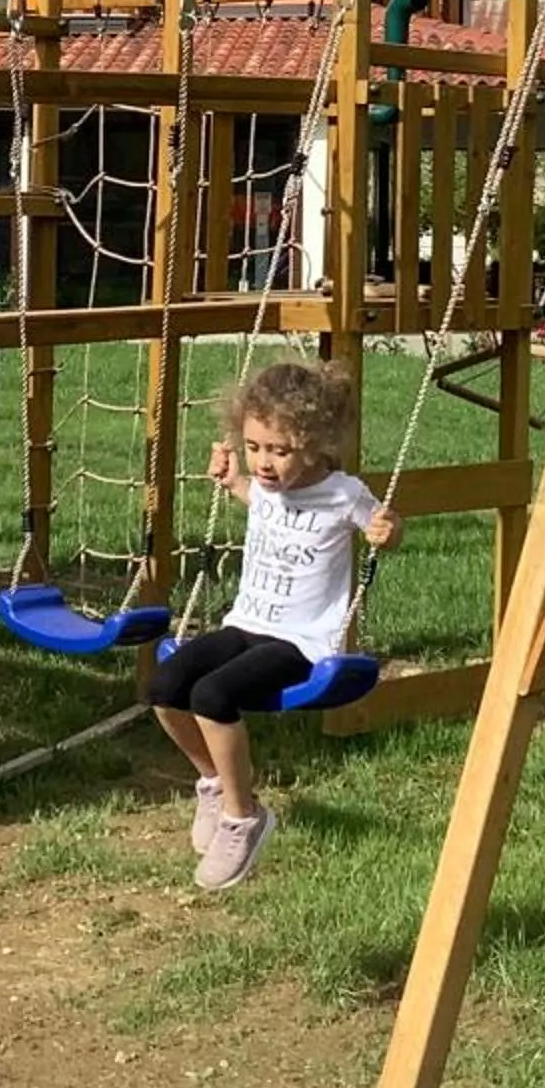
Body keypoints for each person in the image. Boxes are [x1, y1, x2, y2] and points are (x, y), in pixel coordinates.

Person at [146, 360, 397, 890]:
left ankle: (244, 818)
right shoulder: (262, 484)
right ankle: (213, 782)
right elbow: (257, 500)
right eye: (255, 446)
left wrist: (384, 531)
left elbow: (385, 529)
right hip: (246, 622)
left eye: (278, 451)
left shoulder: (343, 493)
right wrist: (231, 479)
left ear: (313, 444)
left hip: (301, 641)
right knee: (164, 688)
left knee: (212, 696)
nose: (264, 462)